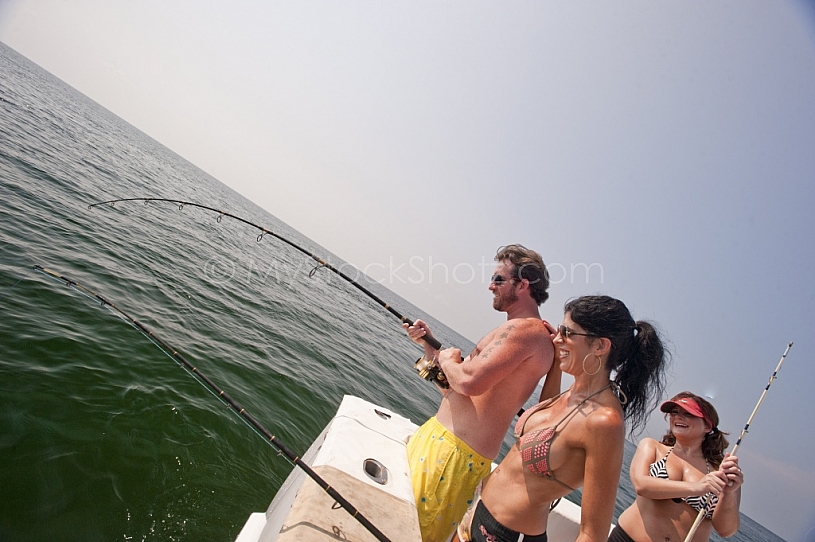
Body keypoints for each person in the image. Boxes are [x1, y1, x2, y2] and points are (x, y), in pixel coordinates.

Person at [454, 295, 669, 542]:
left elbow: (592, 533)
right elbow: (548, 425)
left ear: (600, 346)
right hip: (477, 510)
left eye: (567, 333)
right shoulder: (574, 394)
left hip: (507, 535)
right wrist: (556, 363)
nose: (556, 338)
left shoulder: (604, 422)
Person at [404, 244, 560, 542]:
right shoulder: (521, 331)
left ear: (523, 285)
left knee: (408, 532)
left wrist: (449, 361)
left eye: (498, 279)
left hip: (450, 456)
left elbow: (468, 382)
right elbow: (460, 392)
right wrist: (430, 349)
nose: (490, 286)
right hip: (445, 447)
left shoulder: (524, 331)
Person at [610, 392, 744, 542]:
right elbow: (642, 486)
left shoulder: (721, 473)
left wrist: (728, 494)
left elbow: (726, 530)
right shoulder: (652, 447)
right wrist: (697, 487)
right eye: (674, 412)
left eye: (689, 414)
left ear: (707, 426)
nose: (679, 417)